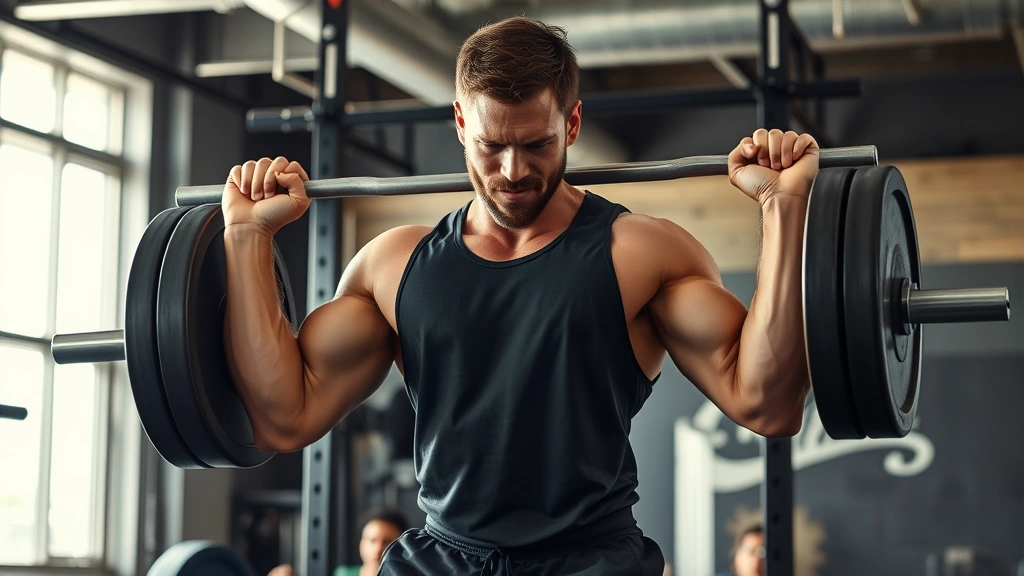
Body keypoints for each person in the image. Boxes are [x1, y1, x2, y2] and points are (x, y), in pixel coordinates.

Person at [222, 16, 814, 576]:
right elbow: (283, 418)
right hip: (444, 558)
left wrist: (783, 208)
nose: (512, 171)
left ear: (572, 124)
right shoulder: (395, 265)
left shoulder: (640, 254)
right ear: (460, 122)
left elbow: (768, 404)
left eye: (536, 144)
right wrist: (246, 236)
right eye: (491, 145)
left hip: (588, 561)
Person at [266, 508, 408, 576]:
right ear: (362, 543)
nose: (377, 549)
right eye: (372, 540)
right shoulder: (343, 574)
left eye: (387, 541)